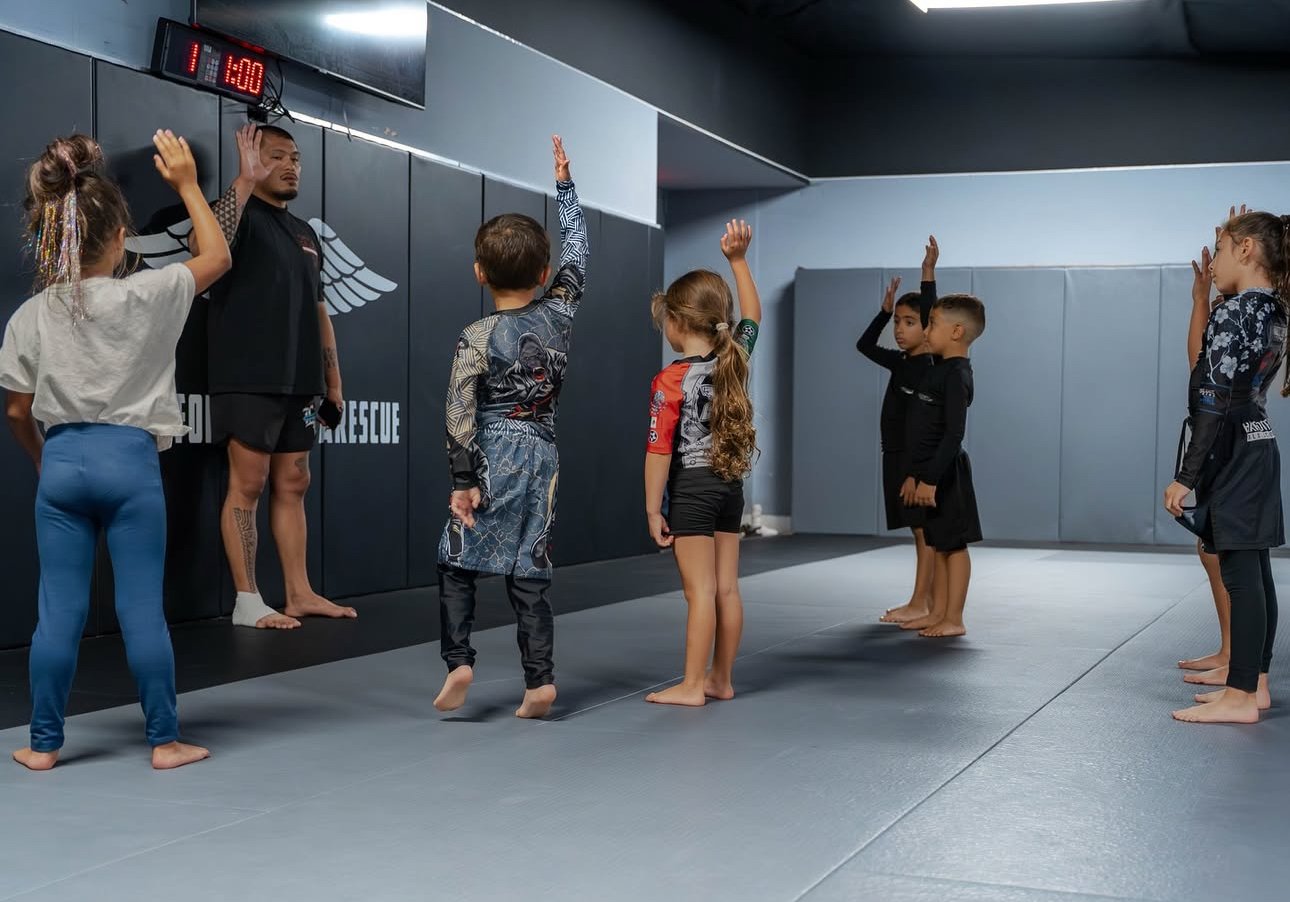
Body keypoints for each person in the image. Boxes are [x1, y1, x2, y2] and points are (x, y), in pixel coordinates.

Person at [0, 130, 228, 770]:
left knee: (58, 612)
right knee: (140, 609)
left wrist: (44, 458)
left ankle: (43, 745)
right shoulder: (146, 294)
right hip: (130, 464)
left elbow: (17, 410)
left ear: (54, 236)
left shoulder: (33, 313)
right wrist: (186, 185)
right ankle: (165, 742)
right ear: (122, 236)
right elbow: (216, 257)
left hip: (64, 462)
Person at [432, 136, 587, 720]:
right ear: (545, 273)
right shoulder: (561, 312)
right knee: (530, 565)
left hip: (493, 453)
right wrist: (565, 188)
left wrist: (464, 478)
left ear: (478, 272)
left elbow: (458, 412)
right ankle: (539, 681)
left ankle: (460, 661)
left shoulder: (476, 337)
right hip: (543, 455)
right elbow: (579, 248)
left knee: (454, 559)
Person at [202, 123, 353, 630]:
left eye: (296, 158)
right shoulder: (236, 213)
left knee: (293, 481)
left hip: (300, 380)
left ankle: (299, 593)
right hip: (246, 375)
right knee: (249, 482)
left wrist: (333, 384)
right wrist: (242, 183)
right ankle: (248, 599)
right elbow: (210, 249)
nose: (291, 166)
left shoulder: (306, 233)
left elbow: (320, 310)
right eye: (276, 156)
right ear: (250, 158)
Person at [1165, 210, 1289, 724]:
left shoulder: (1235, 313)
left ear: (1245, 250)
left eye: (1219, 250)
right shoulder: (1275, 310)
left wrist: (1185, 476)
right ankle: (1253, 683)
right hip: (1258, 439)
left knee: (1241, 573)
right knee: (1255, 570)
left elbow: (1210, 400)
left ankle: (1240, 697)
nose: (1212, 263)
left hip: (1231, 447)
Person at [644, 220, 762, 707]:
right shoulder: (735, 358)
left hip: (692, 489)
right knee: (727, 590)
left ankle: (693, 685)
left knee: (699, 593)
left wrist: (654, 509)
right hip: (729, 486)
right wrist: (738, 261)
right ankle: (721, 678)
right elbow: (752, 316)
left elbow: (658, 450)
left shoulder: (669, 381)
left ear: (678, 322)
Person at [856, 237, 939, 625]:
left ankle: (921, 603)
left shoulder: (932, 368)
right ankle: (925, 601)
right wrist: (882, 311)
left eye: (910, 322)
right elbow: (863, 345)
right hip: (896, 455)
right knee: (918, 535)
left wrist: (927, 274)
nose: (900, 330)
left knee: (925, 536)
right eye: (897, 323)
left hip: (913, 460)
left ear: (930, 327)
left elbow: (932, 308)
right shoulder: (901, 362)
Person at [900, 294, 986, 638]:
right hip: (928, 472)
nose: (926, 330)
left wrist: (932, 479)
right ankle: (936, 611)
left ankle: (954, 617)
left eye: (932, 324)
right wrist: (914, 475)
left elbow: (953, 434)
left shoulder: (957, 375)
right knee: (936, 542)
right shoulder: (940, 369)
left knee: (954, 545)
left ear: (956, 332)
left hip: (948, 474)